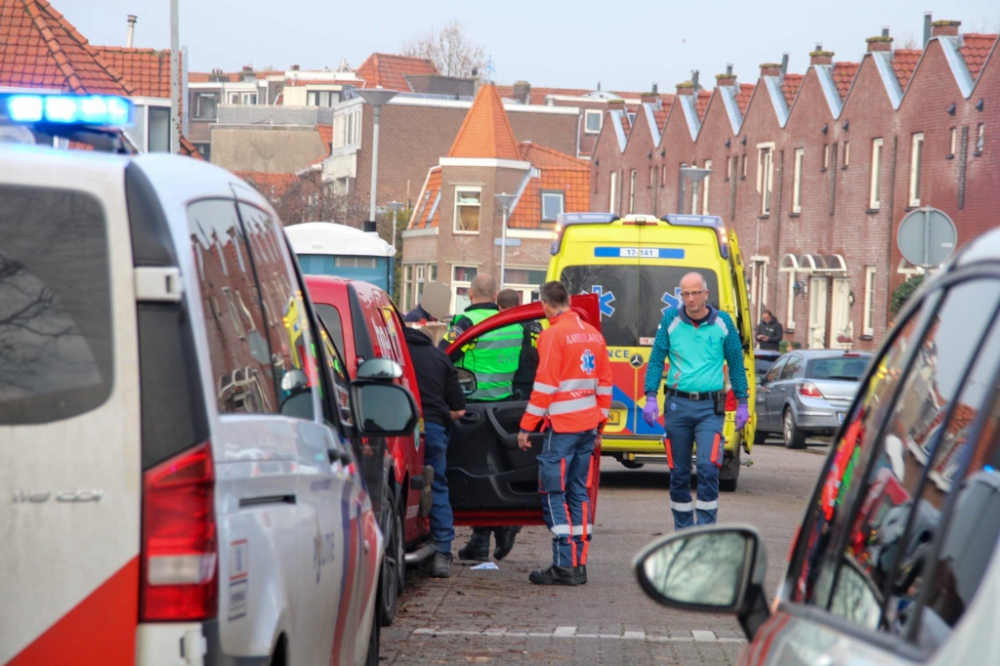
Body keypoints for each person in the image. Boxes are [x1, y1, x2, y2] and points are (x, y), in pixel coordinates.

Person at [518, 281, 612, 586]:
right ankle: (579, 563)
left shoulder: (552, 334)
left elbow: (544, 387)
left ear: (545, 305)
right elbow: (605, 385)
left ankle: (562, 565)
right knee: (578, 493)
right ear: (568, 301)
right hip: (587, 427)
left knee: (553, 494)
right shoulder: (594, 334)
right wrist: (599, 425)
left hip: (561, 429)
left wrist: (526, 427)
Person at [642, 271, 750, 531]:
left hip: (709, 409)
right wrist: (649, 396)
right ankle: (683, 532)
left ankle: (705, 532)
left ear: (705, 294)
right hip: (677, 407)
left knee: (707, 467)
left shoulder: (723, 323)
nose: (690, 299)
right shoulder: (670, 320)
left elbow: (736, 363)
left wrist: (744, 402)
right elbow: (656, 360)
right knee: (679, 474)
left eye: (694, 293)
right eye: (685, 294)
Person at [446, 275, 525, 562]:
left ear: (469, 294)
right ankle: (485, 536)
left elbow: (446, 356)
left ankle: (486, 535)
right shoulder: (513, 324)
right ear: (494, 293)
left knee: (472, 471)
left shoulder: (466, 324)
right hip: (504, 407)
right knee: (493, 470)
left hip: (472, 406)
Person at [404, 325, 467, 578]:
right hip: (431, 429)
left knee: (401, 488)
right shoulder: (440, 358)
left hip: (398, 427)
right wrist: (439, 415)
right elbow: (460, 411)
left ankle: (401, 544)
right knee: (437, 486)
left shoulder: (394, 354)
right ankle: (442, 553)